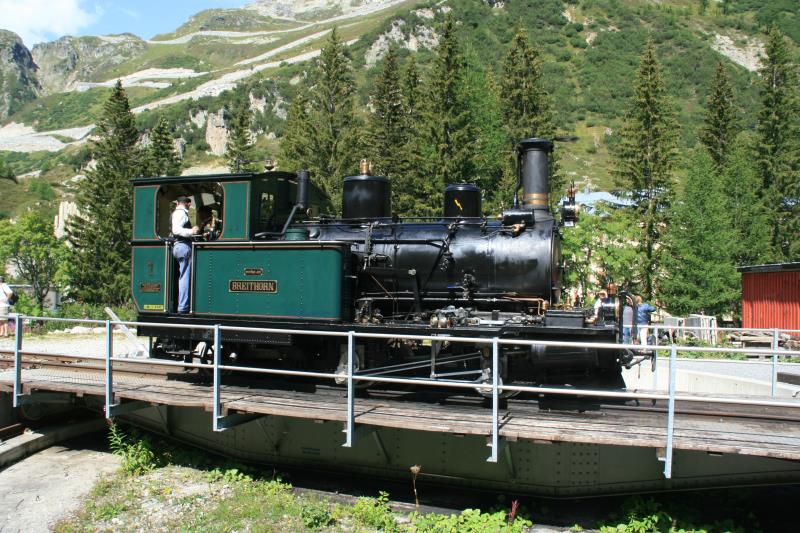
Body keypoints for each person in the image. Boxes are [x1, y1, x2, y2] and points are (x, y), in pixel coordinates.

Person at [171, 196, 200, 313]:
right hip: (183, 246)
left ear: (177, 203)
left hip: (180, 246)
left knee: (183, 276)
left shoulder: (179, 212)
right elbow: (176, 230)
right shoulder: (180, 213)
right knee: (185, 277)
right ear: (188, 203)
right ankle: (183, 307)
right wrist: (191, 231)